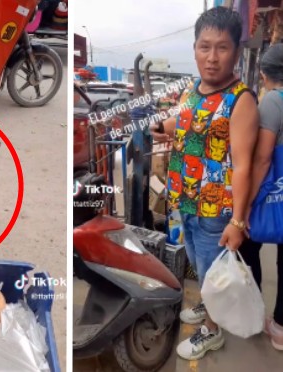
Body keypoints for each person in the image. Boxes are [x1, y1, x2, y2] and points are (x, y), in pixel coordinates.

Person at [150, 6, 259, 360]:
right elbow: (185, 123)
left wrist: (238, 222)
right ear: (195, 48)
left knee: (213, 273)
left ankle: (212, 331)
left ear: (237, 52)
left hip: (216, 207)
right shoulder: (193, 89)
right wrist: (157, 127)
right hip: (185, 199)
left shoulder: (241, 100)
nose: (212, 58)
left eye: (222, 48)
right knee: (198, 262)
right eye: (204, 47)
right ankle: (207, 310)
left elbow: (243, 167)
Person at [239, 43, 283, 350]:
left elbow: (263, 159)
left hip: (272, 191)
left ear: (265, 73)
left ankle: (253, 317)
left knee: (249, 246)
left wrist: (246, 204)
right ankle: (280, 328)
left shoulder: (273, 102)